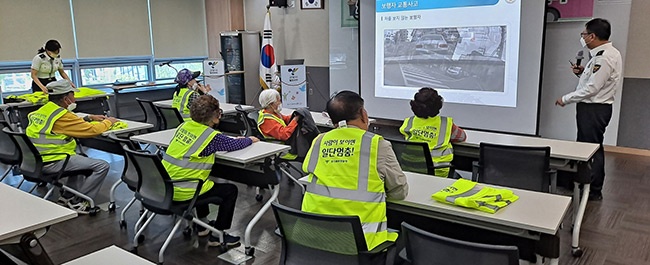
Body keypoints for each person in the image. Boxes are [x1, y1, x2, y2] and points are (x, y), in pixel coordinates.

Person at [301, 91, 408, 251]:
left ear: (331, 119)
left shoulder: (319, 140)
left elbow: (308, 171)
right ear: (364, 114)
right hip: (361, 243)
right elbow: (399, 192)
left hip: (313, 237)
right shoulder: (377, 145)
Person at [162, 95, 260, 247]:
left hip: (166, 186)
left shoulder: (183, 126)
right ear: (215, 116)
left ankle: (202, 226)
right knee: (229, 190)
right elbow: (233, 145)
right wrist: (249, 140)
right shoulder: (211, 137)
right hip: (185, 190)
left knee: (203, 181)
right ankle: (218, 235)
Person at [555, 18, 622, 201]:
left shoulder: (605, 57)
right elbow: (595, 80)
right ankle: (583, 183)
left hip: (594, 109)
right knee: (587, 147)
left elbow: (592, 89)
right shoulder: (602, 54)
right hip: (592, 108)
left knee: (591, 149)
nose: (582, 37)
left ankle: (593, 190)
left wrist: (565, 99)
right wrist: (582, 71)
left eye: (584, 34)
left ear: (592, 36)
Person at [25, 80, 117, 213]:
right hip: (53, 161)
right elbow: (92, 131)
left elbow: (68, 122)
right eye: (73, 95)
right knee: (102, 165)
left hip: (37, 160)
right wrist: (108, 121)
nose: (75, 98)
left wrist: (88, 117)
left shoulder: (45, 110)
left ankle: (66, 196)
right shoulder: (62, 116)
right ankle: (80, 201)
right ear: (66, 98)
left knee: (80, 158)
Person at [399, 87, 466, 177]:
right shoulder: (445, 123)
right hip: (438, 172)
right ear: (438, 105)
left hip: (412, 170)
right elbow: (462, 137)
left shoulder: (409, 122)